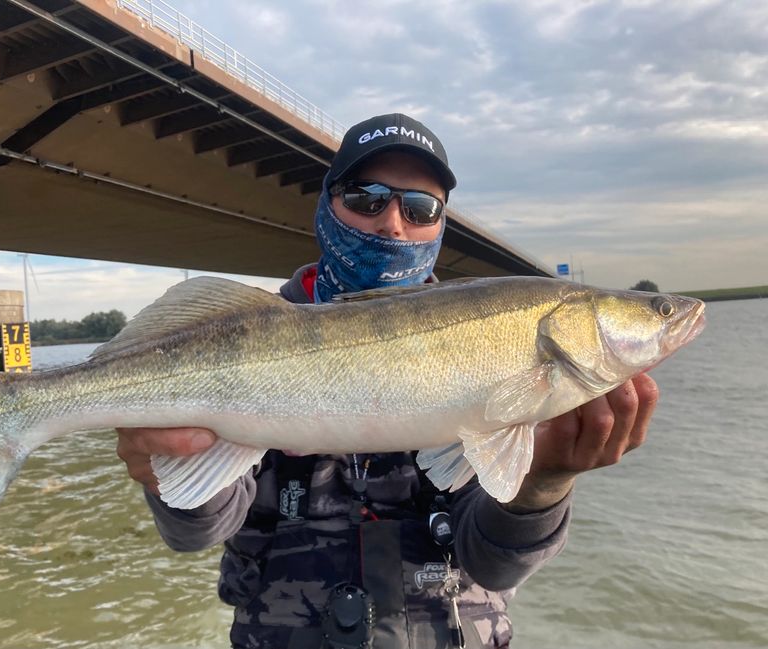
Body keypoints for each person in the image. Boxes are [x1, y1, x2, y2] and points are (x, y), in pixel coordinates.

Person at [117, 113, 658, 648]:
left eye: (420, 208)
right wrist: (168, 472)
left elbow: (493, 567)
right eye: (365, 198)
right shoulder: (244, 336)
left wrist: (543, 482)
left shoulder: (493, 351)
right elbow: (199, 532)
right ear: (326, 203)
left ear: (441, 224)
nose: (393, 224)